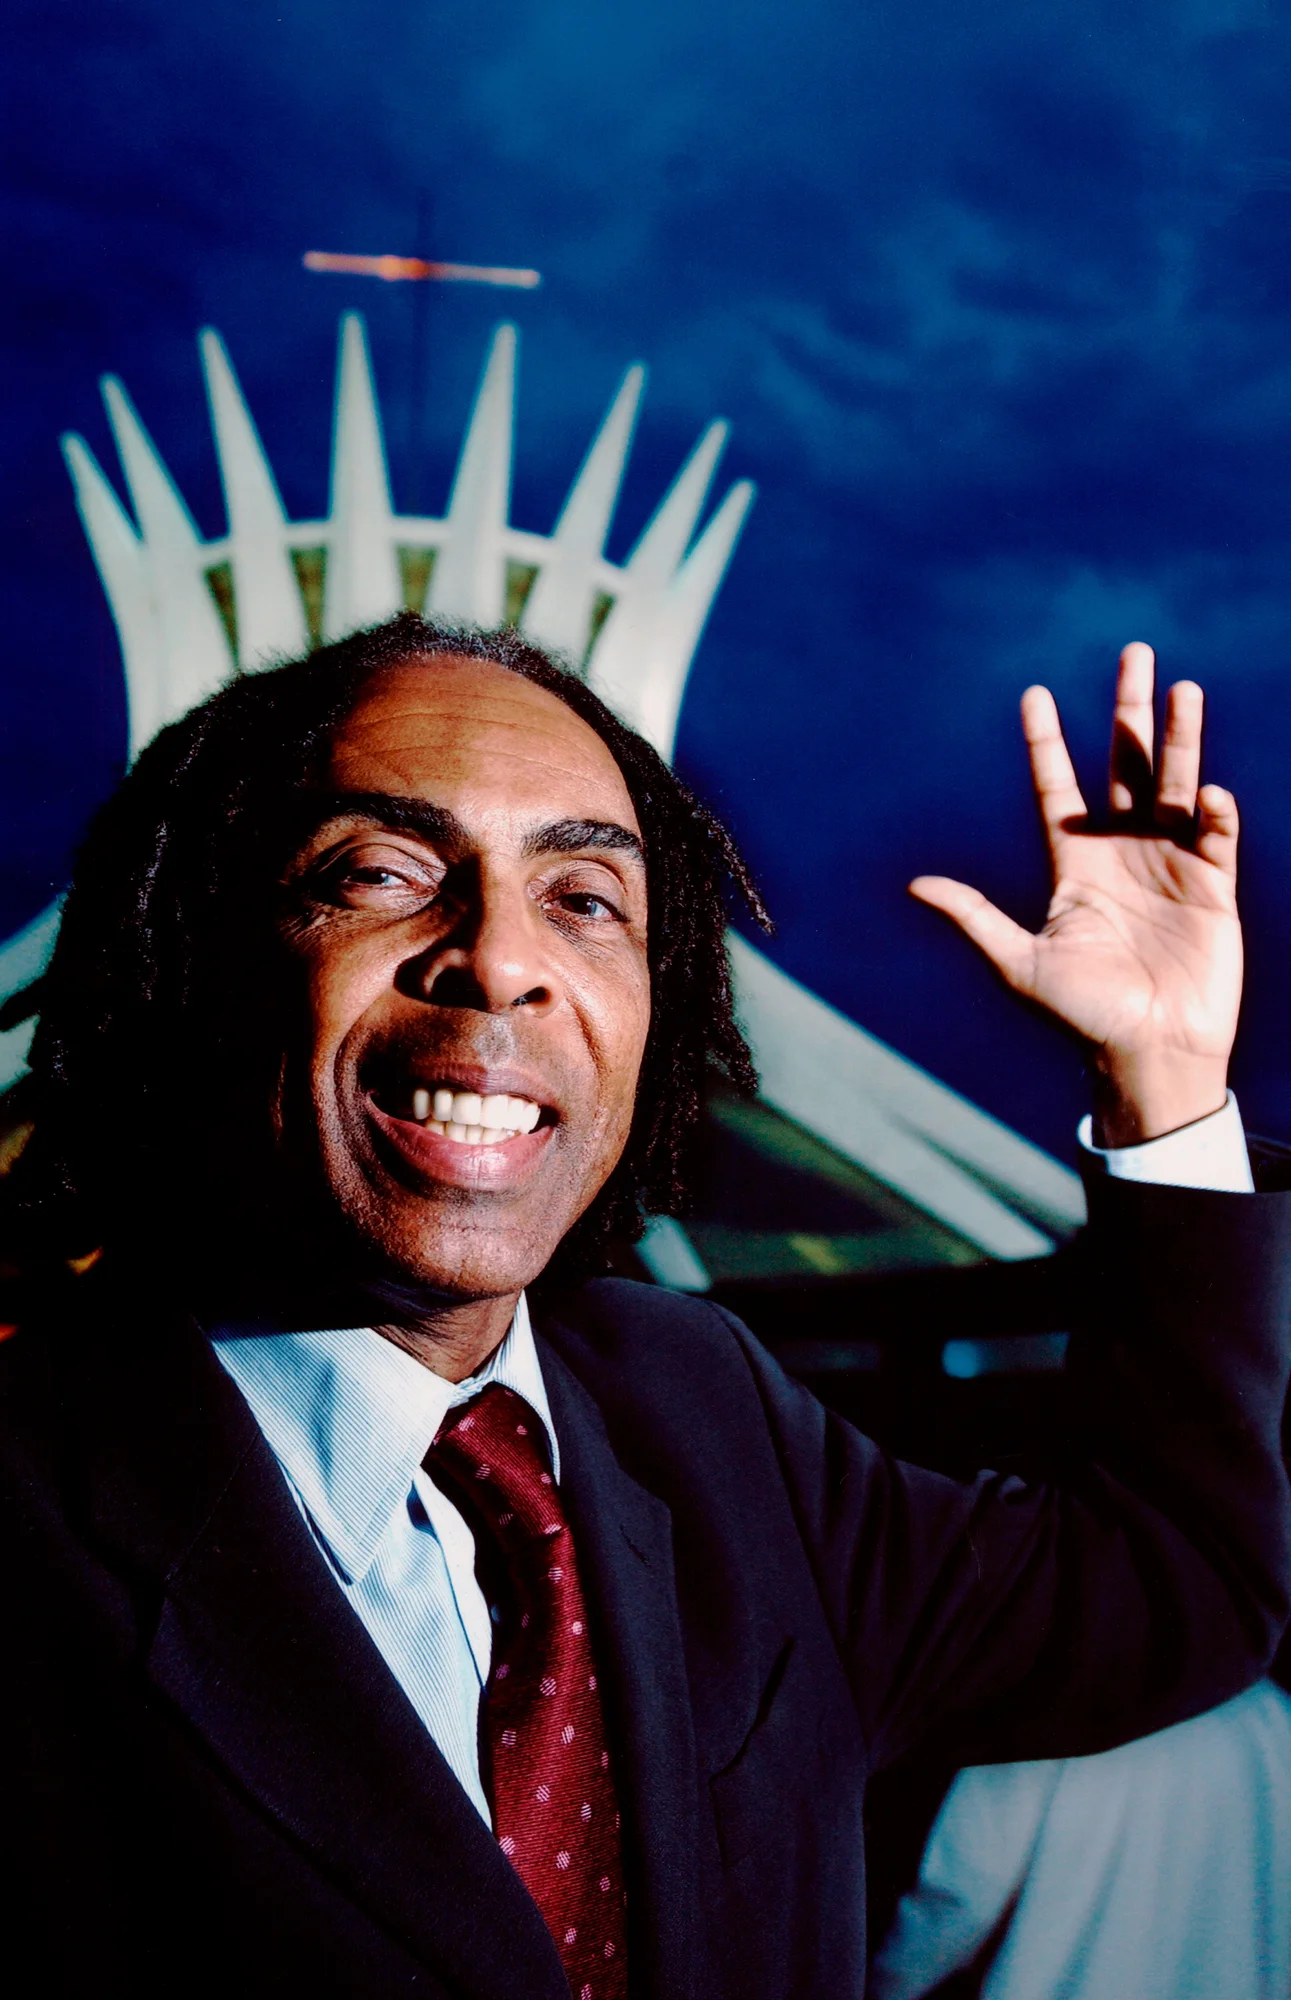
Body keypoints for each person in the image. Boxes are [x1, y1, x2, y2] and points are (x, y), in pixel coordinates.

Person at [0, 614, 1287, 2000]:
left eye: (584, 899)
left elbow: (1174, 1583)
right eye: (378, 872)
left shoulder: (694, 1399)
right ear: (186, 961)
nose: (498, 959)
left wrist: (1162, 1080)